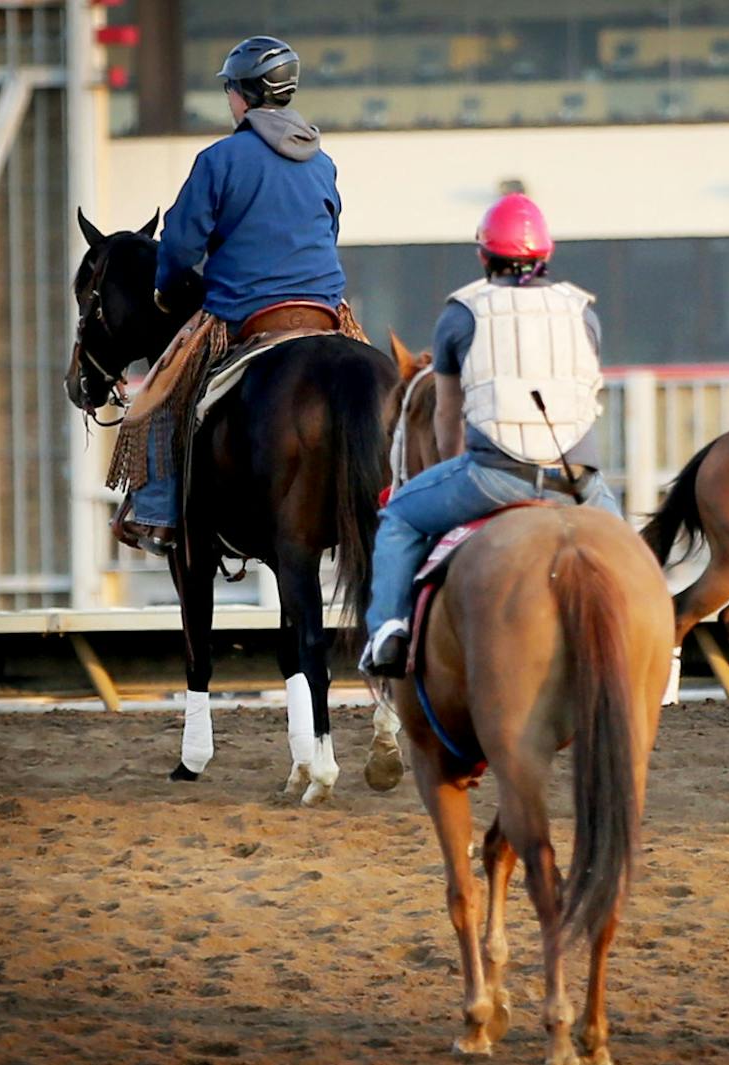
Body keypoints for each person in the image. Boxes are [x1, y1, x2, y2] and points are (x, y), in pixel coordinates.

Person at [358, 194, 622, 676]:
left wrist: (449, 468)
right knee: (630, 555)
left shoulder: (462, 315)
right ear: (546, 254)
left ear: (484, 257)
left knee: (397, 517)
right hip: (577, 479)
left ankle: (389, 630)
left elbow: (448, 415)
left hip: (496, 474)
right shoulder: (584, 313)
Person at [114, 35, 348, 555]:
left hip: (243, 310)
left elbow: (178, 246)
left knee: (154, 399)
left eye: (229, 91)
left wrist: (168, 294)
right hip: (325, 309)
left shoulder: (219, 159)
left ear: (241, 94)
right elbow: (329, 230)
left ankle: (158, 517)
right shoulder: (321, 161)